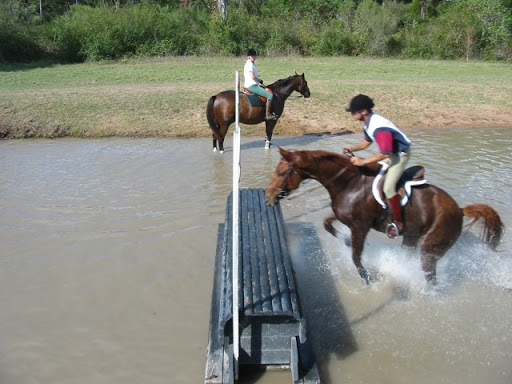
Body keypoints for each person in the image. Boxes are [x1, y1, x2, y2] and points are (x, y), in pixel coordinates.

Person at [342, 94, 412, 239]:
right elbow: (366, 142)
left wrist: (363, 161)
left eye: (354, 111)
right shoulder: (368, 123)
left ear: (364, 111)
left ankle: (398, 223)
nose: (352, 114)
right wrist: (352, 149)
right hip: (390, 154)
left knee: (388, 187)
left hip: (400, 155)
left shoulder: (379, 127)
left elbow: (385, 153)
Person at [243, 48, 277, 121]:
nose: (254, 57)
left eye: (254, 56)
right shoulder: (249, 64)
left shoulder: (250, 64)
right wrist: (260, 80)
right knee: (269, 95)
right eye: (252, 56)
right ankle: (268, 115)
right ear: (249, 56)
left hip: (253, 84)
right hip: (251, 86)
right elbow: (253, 77)